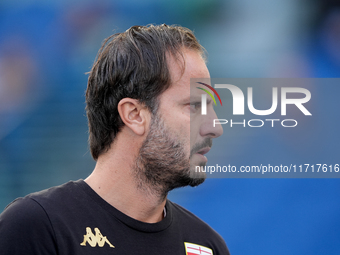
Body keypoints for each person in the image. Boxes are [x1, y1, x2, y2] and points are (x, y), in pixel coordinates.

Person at [0, 24, 229, 254]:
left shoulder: (207, 245)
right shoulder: (37, 228)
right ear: (134, 115)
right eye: (194, 106)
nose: (214, 127)